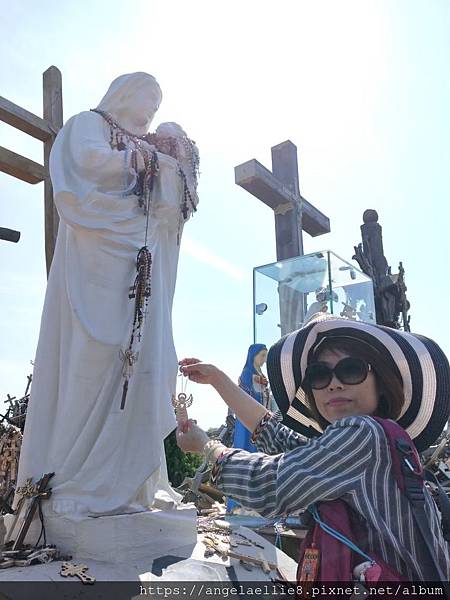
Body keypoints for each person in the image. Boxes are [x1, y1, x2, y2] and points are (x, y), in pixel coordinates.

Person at [15, 72, 199, 517]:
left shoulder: (149, 143)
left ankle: (130, 484)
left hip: (144, 272)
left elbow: (170, 210)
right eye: (147, 98)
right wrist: (143, 159)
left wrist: (176, 164)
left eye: (157, 104)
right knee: (96, 362)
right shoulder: (87, 124)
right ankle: (79, 481)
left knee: (145, 368)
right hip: (98, 266)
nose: (151, 110)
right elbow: (85, 167)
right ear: (124, 93)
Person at [177, 315, 450, 580]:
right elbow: (279, 438)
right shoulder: (377, 438)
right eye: (319, 375)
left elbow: (271, 484)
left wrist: (207, 446)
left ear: (381, 382)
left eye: (351, 370)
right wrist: (217, 379)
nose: (334, 384)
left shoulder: (362, 433)